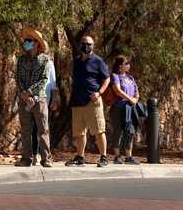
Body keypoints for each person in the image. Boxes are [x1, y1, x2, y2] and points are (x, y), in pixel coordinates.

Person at [66, 35, 109, 167]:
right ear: (80, 45)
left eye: (89, 44)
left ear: (93, 46)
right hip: (77, 101)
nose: (86, 46)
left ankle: (103, 157)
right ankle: (80, 157)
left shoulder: (98, 61)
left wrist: (99, 93)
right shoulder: (76, 61)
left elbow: (106, 79)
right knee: (79, 132)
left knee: (98, 130)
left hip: (92, 101)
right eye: (84, 43)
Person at [15, 29, 52, 168]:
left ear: (37, 43)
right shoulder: (21, 59)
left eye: (29, 41)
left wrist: (31, 93)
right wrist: (24, 94)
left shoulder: (45, 60)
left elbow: (44, 80)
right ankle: (26, 158)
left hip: (39, 99)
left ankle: (46, 158)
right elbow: (18, 78)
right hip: (24, 98)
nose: (26, 43)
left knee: (43, 129)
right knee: (26, 130)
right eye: (26, 40)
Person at [109, 55, 140, 165]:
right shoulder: (115, 76)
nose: (128, 65)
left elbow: (136, 91)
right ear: (120, 66)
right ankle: (117, 156)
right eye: (126, 63)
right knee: (118, 131)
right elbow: (117, 91)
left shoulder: (130, 78)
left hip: (130, 108)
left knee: (130, 132)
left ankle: (128, 156)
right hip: (118, 107)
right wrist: (130, 98)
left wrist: (135, 99)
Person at [31, 57, 57, 166]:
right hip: (31, 98)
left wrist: (54, 100)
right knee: (33, 128)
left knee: (43, 128)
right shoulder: (30, 61)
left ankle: (45, 156)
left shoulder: (49, 63)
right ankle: (34, 154)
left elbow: (53, 84)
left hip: (45, 99)